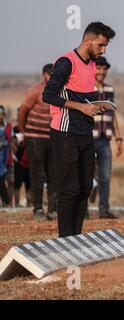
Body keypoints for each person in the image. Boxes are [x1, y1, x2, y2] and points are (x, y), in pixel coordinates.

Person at [43, 22, 116, 237]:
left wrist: (97, 104)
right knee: (70, 187)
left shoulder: (91, 64)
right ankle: (65, 239)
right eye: (101, 45)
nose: (103, 50)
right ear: (88, 41)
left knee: (85, 187)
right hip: (65, 131)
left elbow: (82, 95)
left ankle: (77, 236)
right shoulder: (66, 62)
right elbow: (48, 95)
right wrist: (81, 106)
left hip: (85, 131)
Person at [18, 63, 57, 220]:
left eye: (54, 73)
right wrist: (24, 132)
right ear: (43, 75)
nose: (51, 76)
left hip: (54, 139)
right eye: (49, 73)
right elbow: (22, 112)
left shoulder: (60, 91)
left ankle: (53, 209)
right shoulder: (35, 90)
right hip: (34, 139)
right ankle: (38, 209)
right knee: (37, 174)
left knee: (54, 175)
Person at [90, 56, 123, 219]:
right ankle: (84, 211)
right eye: (99, 68)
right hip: (88, 138)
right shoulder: (86, 88)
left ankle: (104, 209)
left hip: (105, 139)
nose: (102, 72)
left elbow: (113, 114)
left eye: (104, 69)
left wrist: (119, 138)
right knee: (86, 175)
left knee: (105, 175)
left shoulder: (109, 90)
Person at [12, 108, 31, 207]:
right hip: (19, 160)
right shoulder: (15, 129)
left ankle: (29, 203)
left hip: (31, 160)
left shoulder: (30, 128)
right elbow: (13, 143)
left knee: (30, 183)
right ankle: (17, 203)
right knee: (17, 183)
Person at [0, 106, 12, 207]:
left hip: (6, 159)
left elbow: (10, 142)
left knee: (7, 181)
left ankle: (7, 202)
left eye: (1, 114)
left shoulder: (8, 127)